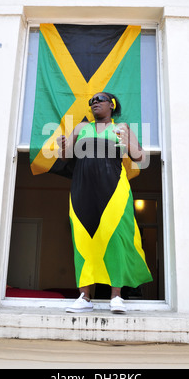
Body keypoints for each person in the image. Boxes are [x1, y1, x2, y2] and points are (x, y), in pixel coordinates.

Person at [57, 92, 152, 313]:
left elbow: (140, 158)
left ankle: (116, 296)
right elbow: (64, 157)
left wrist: (130, 143)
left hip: (114, 190)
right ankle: (84, 297)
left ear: (111, 105)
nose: (95, 103)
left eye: (100, 99)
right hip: (83, 190)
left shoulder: (122, 128)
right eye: (92, 101)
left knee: (116, 239)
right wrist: (63, 145)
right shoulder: (81, 128)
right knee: (83, 240)